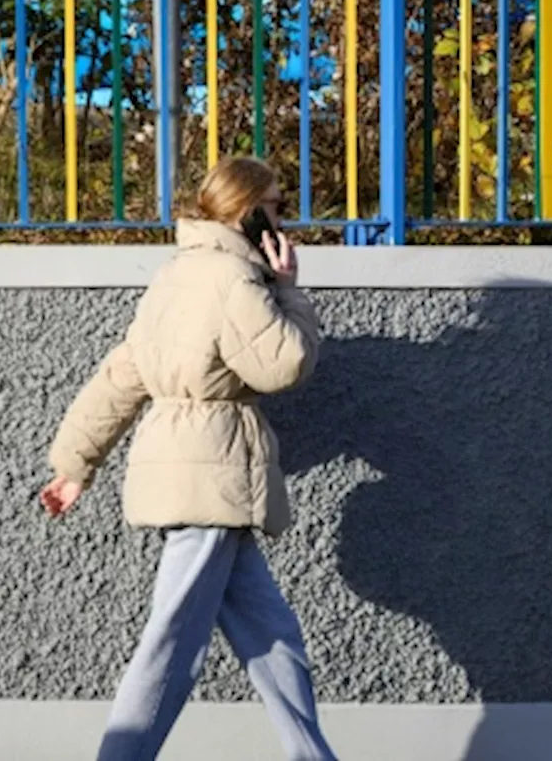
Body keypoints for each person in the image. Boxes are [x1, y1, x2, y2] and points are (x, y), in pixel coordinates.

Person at [38, 156, 338, 761]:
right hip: (209, 481)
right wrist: (290, 289)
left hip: (206, 481)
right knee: (171, 645)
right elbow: (284, 363)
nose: (287, 219)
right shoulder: (233, 280)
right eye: (278, 207)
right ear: (250, 215)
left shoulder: (175, 276)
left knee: (274, 640)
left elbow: (121, 376)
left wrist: (75, 463)